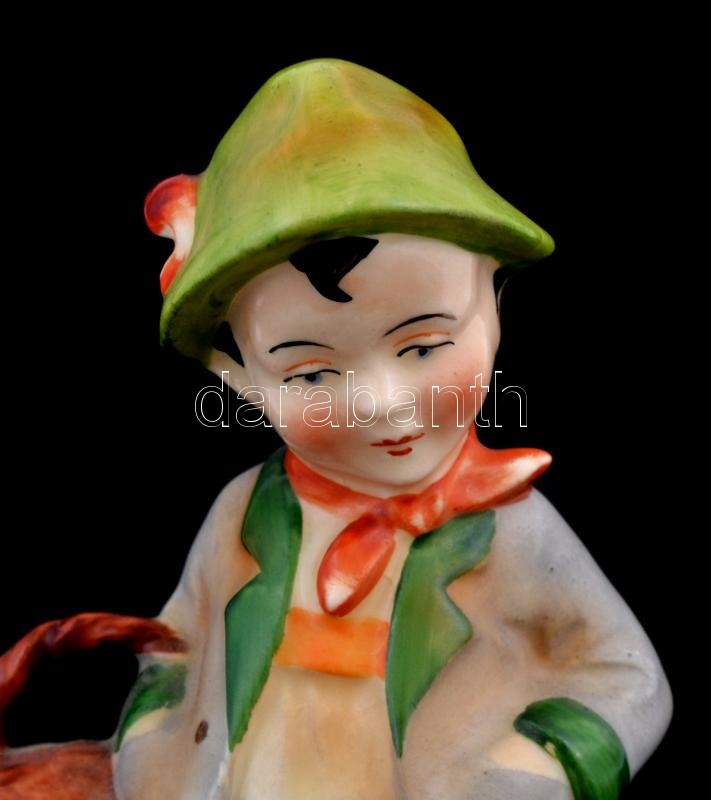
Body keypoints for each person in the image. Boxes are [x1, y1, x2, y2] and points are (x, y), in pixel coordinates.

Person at [0, 58, 672, 800]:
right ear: (240, 376)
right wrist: (149, 743)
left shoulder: (510, 528)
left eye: (425, 346)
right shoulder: (244, 514)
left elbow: (625, 675)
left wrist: (539, 768)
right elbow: (175, 649)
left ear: (494, 306)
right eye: (312, 374)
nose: (381, 403)